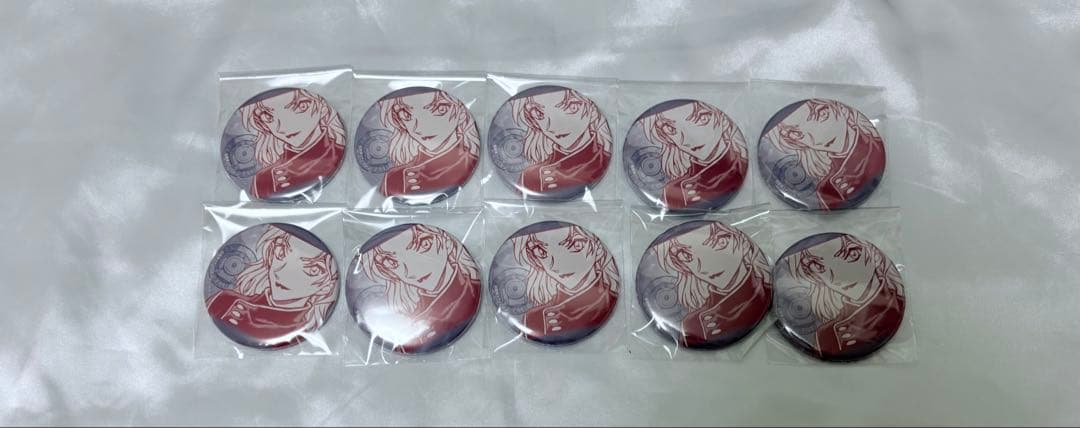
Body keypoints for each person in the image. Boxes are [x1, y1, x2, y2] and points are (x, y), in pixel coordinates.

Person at [206, 225, 338, 346]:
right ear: (270, 254)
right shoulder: (226, 302)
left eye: (313, 269)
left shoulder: (304, 328)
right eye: (281, 252)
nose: (282, 271)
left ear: (326, 287)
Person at [357, 224, 480, 353]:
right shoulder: (410, 317)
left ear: (446, 243)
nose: (412, 272)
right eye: (391, 262)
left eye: (424, 245)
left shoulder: (468, 293)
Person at [785, 234, 904, 358]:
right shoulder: (826, 334)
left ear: (873, 256)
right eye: (818, 266)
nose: (837, 278)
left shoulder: (895, 307)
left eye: (852, 254)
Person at [652, 222, 770, 347]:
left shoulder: (766, 292)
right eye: (685, 256)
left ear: (742, 243)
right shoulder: (694, 324)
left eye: (720, 242)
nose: (704, 268)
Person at [765, 99, 885, 209]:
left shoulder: (875, 153)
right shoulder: (828, 189)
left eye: (823, 115)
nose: (817, 141)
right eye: (796, 134)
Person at [511, 223, 619, 343]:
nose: (556, 265)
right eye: (540, 251)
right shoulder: (534, 318)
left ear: (597, 249)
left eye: (576, 245)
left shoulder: (610, 303)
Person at [237, 88, 345, 199]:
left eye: (302, 106)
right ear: (263, 125)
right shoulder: (263, 179)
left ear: (322, 108)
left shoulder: (340, 156)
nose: (283, 127)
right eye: (268, 117)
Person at [639, 100, 747, 209]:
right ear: (667, 137)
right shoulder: (673, 191)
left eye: (702, 118)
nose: (687, 140)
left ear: (722, 120)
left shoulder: (739, 167)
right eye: (670, 129)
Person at [376, 88, 480, 199]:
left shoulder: (473, 166)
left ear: (461, 113)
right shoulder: (394, 178)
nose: (419, 128)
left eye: (440, 109)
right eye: (405, 114)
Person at [509, 87, 612, 195]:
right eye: (538, 113)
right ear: (533, 121)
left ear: (592, 111)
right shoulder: (530, 177)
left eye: (572, 107)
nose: (552, 127)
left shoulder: (605, 162)